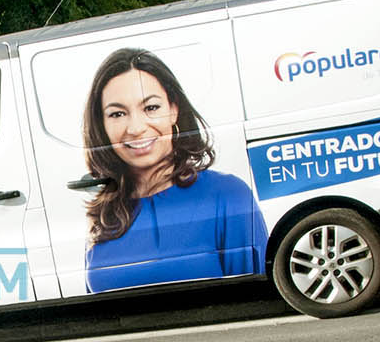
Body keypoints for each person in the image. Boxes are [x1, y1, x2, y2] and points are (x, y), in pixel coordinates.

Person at [81, 48, 266, 293]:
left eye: (151, 108)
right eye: (117, 113)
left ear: (174, 110)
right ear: (102, 125)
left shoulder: (228, 196)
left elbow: (258, 297)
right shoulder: (102, 215)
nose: (135, 128)